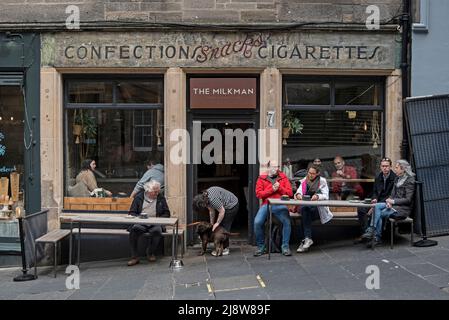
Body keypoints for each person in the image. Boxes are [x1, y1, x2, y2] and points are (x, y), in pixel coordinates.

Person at [361, 159, 416, 247]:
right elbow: (392, 194)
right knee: (377, 206)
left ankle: (376, 237)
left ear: (403, 169)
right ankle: (373, 232)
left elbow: (408, 200)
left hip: (402, 209)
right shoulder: (397, 179)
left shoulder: (410, 181)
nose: (395, 169)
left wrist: (393, 201)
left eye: (397, 167)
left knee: (377, 213)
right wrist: (389, 201)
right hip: (393, 205)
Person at [253, 159, 293, 257]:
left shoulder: (283, 178)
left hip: (280, 204)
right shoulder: (261, 178)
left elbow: (290, 193)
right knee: (257, 222)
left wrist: (280, 188)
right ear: (268, 167)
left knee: (287, 222)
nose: (275, 169)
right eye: (273, 167)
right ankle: (261, 246)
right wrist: (271, 189)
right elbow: (259, 194)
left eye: (277, 167)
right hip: (267, 204)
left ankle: (285, 246)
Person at [127, 180, 170, 266]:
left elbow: (167, 213)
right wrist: (140, 218)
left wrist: (158, 220)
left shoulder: (160, 198)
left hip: (155, 223)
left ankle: (150, 252)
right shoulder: (139, 197)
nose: (157, 194)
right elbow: (132, 212)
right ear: (148, 191)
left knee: (157, 231)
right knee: (134, 230)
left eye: (158, 191)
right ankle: (134, 257)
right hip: (141, 222)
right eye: (155, 192)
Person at [355, 157, 397, 243]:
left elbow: (392, 195)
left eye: (387, 166)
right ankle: (365, 234)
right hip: (377, 201)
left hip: (387, 203)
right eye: (383, 166)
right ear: (380, 167)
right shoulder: (378, 176)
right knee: (361, 209)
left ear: (390, 167)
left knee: (376, 210)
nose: (385, 168)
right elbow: (374, 191)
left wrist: (376, 204)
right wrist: (374, 199)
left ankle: (375, 236)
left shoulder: (395, 178)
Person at [294, 165, 333, 253]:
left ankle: (304, 240)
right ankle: (307, 239)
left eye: (313, 173)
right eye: (309, 173)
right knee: (305, 210)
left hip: (317, 210)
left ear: (317, 174)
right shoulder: (304, 180)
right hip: (306, 208)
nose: (310, 175)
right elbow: (298, 191)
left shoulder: (322, 181)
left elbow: (325, 195)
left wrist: (317, 196)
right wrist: (298, 195)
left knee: (305, 214)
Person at [193, 186, 239, 256]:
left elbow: (222, 211)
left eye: (202, 207)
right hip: (225, 204)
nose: (203, 208)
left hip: (232, 205)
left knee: (224, 227)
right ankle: (221, 247)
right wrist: (212, 224)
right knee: (220, 225)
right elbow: (211, 211)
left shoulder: (213, 200)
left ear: (202, 203)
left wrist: (217, 223)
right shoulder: (206, 197)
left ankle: (225, 249)